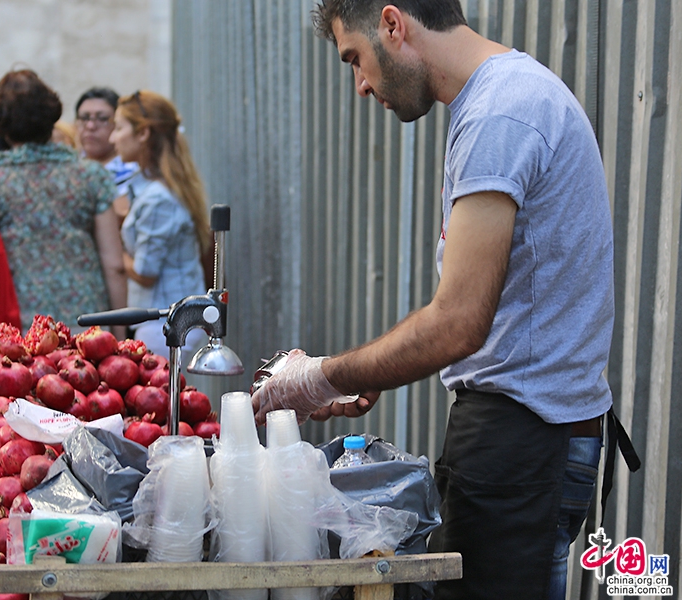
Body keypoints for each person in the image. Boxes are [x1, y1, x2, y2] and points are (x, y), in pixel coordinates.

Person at [252, 2, 615, 599]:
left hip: (525, 442)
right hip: (525, 437)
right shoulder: (498, 99)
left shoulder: (501, 114)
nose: (361, 85)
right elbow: (487, 312)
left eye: (356, 59)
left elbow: (457, 324)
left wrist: (315, 377)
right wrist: (371, 369)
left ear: (393, 25)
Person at [0, 69, 127, 334]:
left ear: (1, 123)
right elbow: (114, 265)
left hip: (16, 329)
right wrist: (117, 333)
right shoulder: (91, 175)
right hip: (85, 326)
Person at [109, 90, 211, 357]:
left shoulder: (158, 199)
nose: (113, 138)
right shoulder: (156, 188)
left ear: (142, 134)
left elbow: (145, 271)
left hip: (165, 325)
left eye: (118, 128)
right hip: (167, 321)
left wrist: (113, 247)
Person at [75, 87, 138, 211]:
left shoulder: (134, 171)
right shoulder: (67, 168)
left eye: (102, 118)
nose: (91, 126)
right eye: (84, 118)